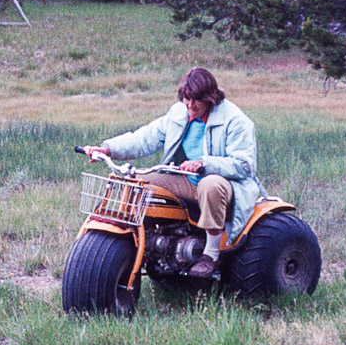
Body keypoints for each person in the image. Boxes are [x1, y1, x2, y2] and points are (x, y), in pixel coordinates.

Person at [81, 67, 263, 277]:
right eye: (186, 99)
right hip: (186, 181)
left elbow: (245, 165)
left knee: (209, 184)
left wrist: (204, 163)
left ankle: (211, 254)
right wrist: (108, 149)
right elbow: (144, 138)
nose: (190, 105)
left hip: (226, 186)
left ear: (210, 98)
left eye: (196, 101)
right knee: (138, 182)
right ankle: (139, 242)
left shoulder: (235, 121)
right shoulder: (179, 113)